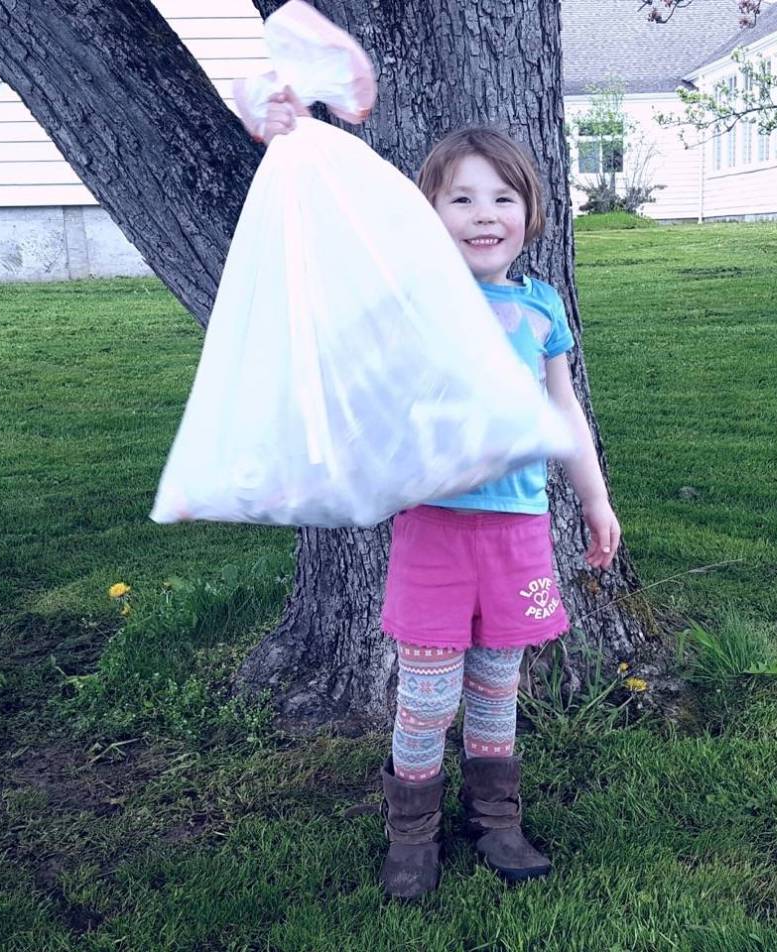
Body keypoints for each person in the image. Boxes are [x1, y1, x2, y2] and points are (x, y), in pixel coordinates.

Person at [255, 89, 622, 900]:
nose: (484, 214)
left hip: (518, 535)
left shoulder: (541, 308)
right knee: (426, 699)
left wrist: (595, 501)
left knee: (497, 689)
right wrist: (297, 142)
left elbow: (565, 410)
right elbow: (337, 249)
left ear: (530, 213)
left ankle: (496, 821)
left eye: (503, 198)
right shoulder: (414, 299)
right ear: (428, 215)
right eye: (461, 199)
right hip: (433, 534)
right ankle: (411, 835)